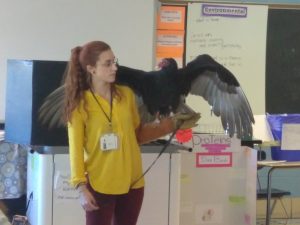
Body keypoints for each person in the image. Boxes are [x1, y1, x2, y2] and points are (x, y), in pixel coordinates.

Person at [63, 40, 200, 225]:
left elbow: (137, 134)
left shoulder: (125, 95)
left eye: (114, 61)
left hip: (133, 182)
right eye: (107, 63)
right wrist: (80, 187)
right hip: (100, 183)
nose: (114, 67)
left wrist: (170, 125)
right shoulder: (79, 105)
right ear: (91, 69)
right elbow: (76, 150)